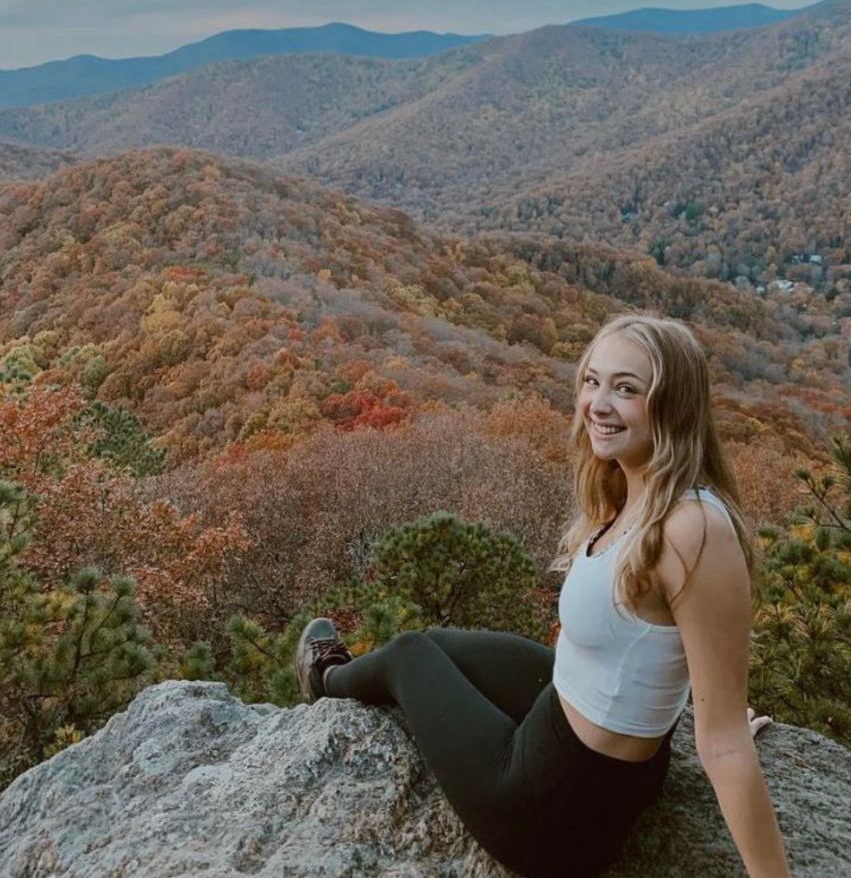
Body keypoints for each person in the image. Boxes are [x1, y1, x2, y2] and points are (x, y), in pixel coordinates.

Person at [295, 314, 792, 878]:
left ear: (673, 405)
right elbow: (650, 647)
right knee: (439, 644)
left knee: (411, 654)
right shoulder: (638, 488)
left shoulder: (694, 529)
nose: (598, 404)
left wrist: (725, 743)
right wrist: (696, 720)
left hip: (551, 812)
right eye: (592, 380)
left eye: (626, 388)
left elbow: (724, 739)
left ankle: (325, 682)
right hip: (590, 741)